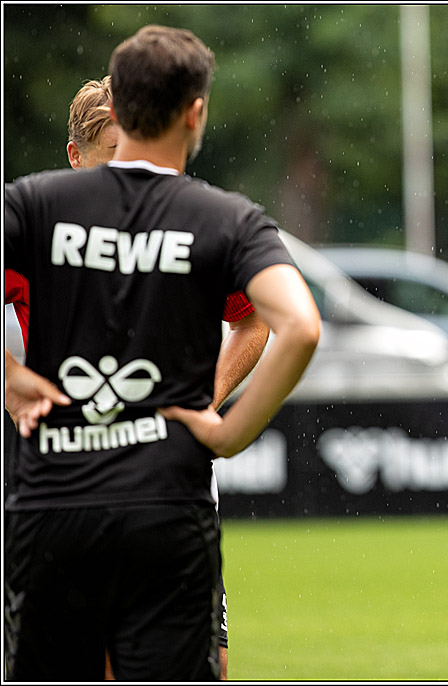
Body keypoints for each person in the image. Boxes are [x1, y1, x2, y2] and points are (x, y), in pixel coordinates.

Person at [3, 24, 320, 680]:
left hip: (56, 502)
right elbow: (299, 326)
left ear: (124, 110)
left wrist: (9, 377)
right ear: (194, 112)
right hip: (167, 502)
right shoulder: (226, 218)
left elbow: (264, 326)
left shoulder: (32, 206)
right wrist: (228, 430)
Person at [61, 74, 260, 679]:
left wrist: (205, 399)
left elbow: (255, 321)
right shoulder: (38, 233)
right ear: (75, 157)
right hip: (70, 486)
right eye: (109, 159)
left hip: (173, 485)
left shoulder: (182, 227)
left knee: (203, 664)